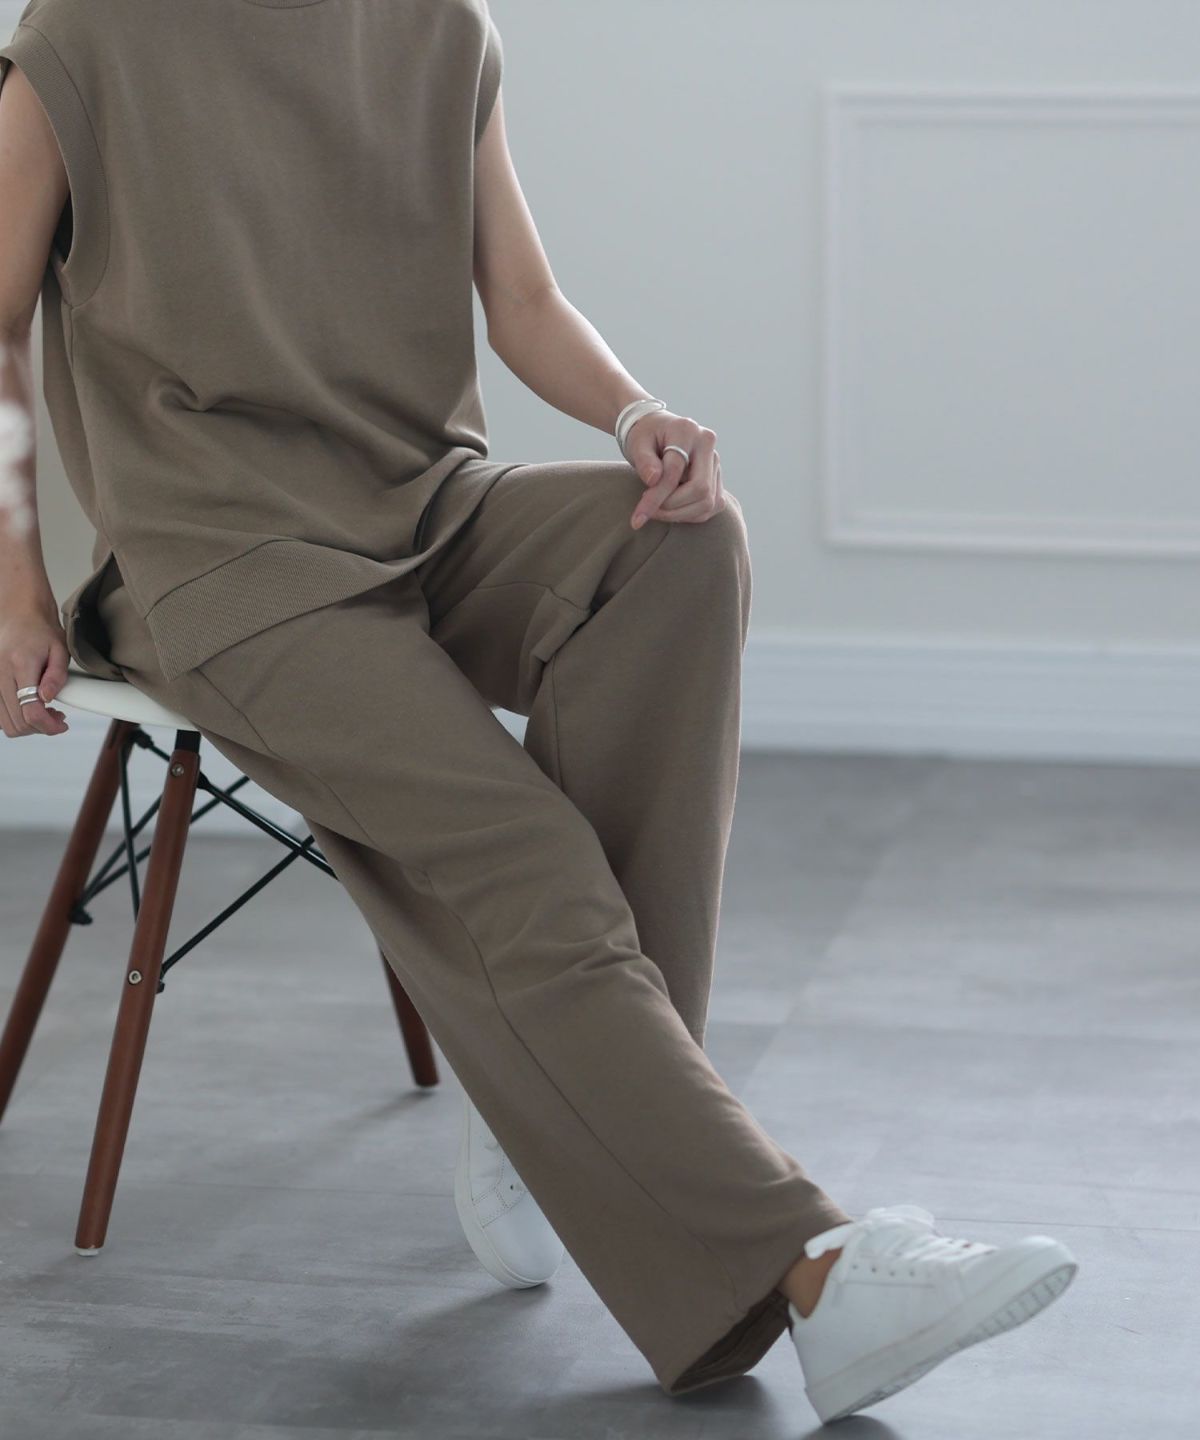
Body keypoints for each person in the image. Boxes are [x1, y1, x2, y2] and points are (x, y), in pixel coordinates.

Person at [0, 0, 1078, 1423]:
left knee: (680, 545)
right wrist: (14, 581)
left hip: (425, 508)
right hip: (224, 562)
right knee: (525, 859)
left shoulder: (439, 26)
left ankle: (564, 1102)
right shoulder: (89, 34)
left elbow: (522, 298)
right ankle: (815, 1271)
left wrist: (636, 416)